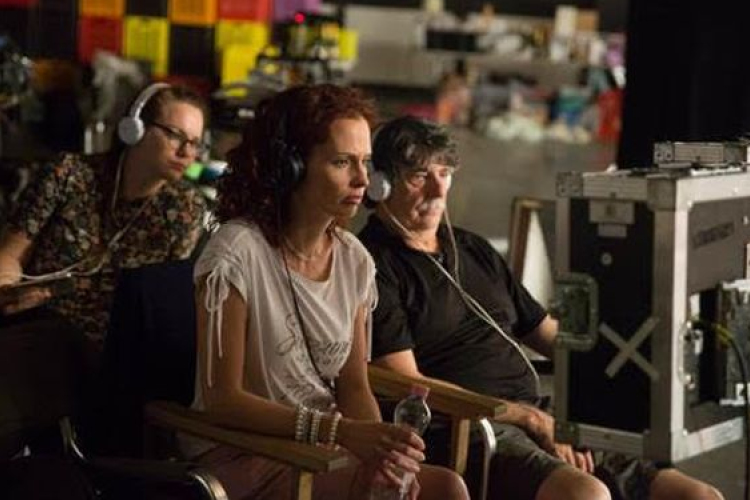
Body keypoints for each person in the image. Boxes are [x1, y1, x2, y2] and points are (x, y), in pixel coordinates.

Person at [358, 115, 724, 500]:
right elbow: (404, 382)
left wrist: (639, 365)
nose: (438, 189)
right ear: (381, 184)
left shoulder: (472, 248)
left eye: (445, 173)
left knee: (698, 496)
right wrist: (528, 418)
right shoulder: (374, 266)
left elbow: (551, 336)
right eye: (419, 176)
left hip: (540, 416)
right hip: (470, 428)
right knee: (587, 495)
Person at [189, 84, 468, 500]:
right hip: (247, 451)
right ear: (291, 167)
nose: (362, 180)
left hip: (326, 449)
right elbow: (222, 400)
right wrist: (341, 433)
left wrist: (383, 456)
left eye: (365, 163)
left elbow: (354, 387)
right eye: (342, 162)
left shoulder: (354, 259)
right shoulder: (236, 253)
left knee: (446, 487)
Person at [0, 82, 208, 351]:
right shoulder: (68, 173)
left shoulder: (185, 208)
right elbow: (10, 255)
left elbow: (161, 306)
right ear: (135, 128)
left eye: (194, 143)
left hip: (113, 350)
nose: (187, 153)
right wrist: (7, 291)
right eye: (175, 136)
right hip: (37, 328)